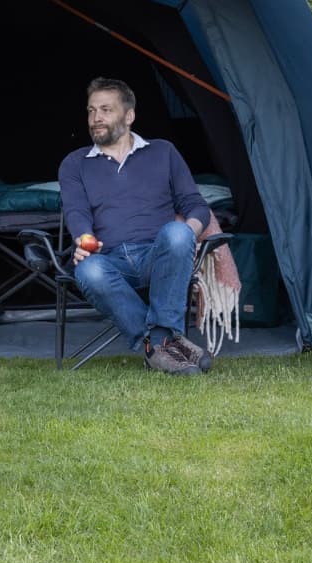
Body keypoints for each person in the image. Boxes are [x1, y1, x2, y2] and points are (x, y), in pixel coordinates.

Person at [58, 77, 213, 375]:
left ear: (128, 116)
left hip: (158, 254)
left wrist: (185, 238)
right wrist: (84, 240)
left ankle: (157, 345)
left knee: (178, 232)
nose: (96, 118)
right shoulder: (75, 163)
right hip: (111, 259)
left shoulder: (163, 152)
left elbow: (195, 205)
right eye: (91, 111)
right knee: (88, 269)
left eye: (105, 110)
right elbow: (77, 212)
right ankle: (163, 343)